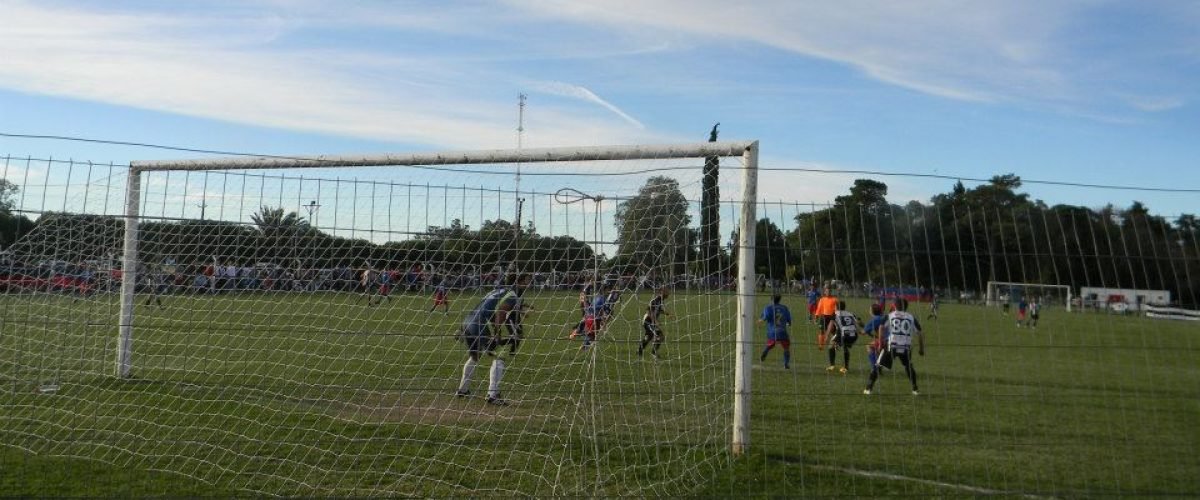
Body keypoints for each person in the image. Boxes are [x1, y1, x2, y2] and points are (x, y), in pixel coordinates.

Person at [455, 279, 526, 406]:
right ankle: (492, 395)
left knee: (475, 356)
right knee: (499, 357)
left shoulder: (495, 291)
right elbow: (500, 314)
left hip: (468, 322)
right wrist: (498, 334)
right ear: (518, 283)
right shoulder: (512, 295)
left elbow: (484, 309)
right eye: (526, 281)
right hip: (479, 325)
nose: (527, 284)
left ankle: (462, 390)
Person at [864, 297, 925, 395]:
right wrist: (921, 349)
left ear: (895, 306)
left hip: (892, 345)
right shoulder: (911, 317)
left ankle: (868, 388)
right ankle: (915, 389)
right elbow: (920, 333)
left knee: (878, 365)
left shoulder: (890, 315)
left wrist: (880, 343)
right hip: (906, 347)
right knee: (908, 366)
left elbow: (881, 328)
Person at [824, 300, 861, 374]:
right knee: (845, 347)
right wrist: (861, 331)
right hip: (854, 335)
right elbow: (858, 323)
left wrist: (826, 336)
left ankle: (832, 365)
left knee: (831, 345)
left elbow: (830, 326)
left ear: (836, 307)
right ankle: (845, 367)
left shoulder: (835, 314)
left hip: (844, 334)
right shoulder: (850, 313)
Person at [757, 294, 792, 368]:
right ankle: (786, 363)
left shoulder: (768, 308)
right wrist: (788, 323)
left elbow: (765, 317)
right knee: (786, 348)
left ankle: (765, 351)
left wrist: (759, 321)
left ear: (771, 299)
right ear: (780, 299)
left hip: (772, 332)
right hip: (782, 332)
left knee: (770, 344)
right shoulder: (785, 308)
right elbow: (789, 321)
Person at [638, 287, 671, 359]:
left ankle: (640, 350)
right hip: (647, 321)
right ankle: (653, 353)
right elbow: (649, 312)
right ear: (661, 292)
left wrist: (667, 314)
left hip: (651, 322)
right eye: (666, 292)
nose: (668, 293)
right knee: (660, 336)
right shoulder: (654, 301)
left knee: (648, 337)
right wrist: (656, 321)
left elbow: (658, 310)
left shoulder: (659, 301)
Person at [863, 303, 887, 368]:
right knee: (877, 348)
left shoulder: (875, 320)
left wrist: (856, 326)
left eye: (870, 309)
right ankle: (879, 365)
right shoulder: (884, 317)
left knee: (869, 346)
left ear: (872, 311)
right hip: (890, 338)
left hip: (884, 340)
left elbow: (863, 333)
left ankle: (875, 367)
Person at [815, 285, 838, 350]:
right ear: (824, 292)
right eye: (827, 291)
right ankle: (821, 345)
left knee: (834, 332)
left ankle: (835, 344)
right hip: (823, 317)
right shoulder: (822, 299)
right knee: (821, 331)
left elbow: (837, 309)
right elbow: (819, 308)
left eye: (829, 291)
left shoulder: (834, 299)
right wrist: (816, 315)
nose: (828, 292)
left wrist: (836, 316)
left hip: (832, 318)